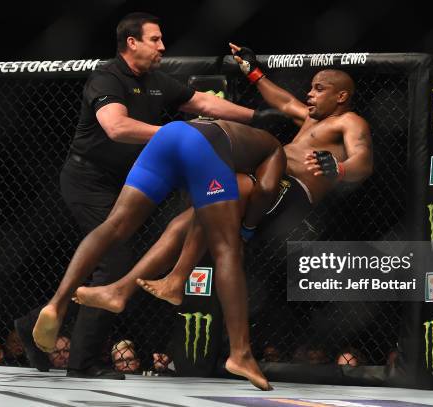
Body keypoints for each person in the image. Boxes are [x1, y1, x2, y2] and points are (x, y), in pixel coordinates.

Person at [14, 12, 268, 380]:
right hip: (89, 180)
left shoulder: (155, 80)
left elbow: (205, 104)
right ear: (131, 42)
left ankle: (35, 322)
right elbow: (116, 127)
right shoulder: (107, 77)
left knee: (130, 256)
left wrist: (259, 116)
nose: (163, 47)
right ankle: (82, 362)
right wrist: (177, 136)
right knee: (114, 260)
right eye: (155, 39)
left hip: (132, 182)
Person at [72, 43, 372, 308]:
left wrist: (341, 168)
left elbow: (363, 160)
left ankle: (145, 286)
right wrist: (254, 72)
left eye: (319, 89)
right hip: (266, 179)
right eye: (311, 87)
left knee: (204, 209)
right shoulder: (310, 116)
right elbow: (282, 101)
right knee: (187, 220)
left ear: (342, 96)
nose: (309, 93)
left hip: (291, 189)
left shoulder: (349, 121)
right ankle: (141, 287)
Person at [32, 119, 284, 390]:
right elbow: (267, 189)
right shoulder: (274, 150)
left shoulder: (244, 138)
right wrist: (247, 228)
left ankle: (57, 303)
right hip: (202, 145)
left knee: (115, 224)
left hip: (170, 134)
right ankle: (241, 353)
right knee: (227, 249)